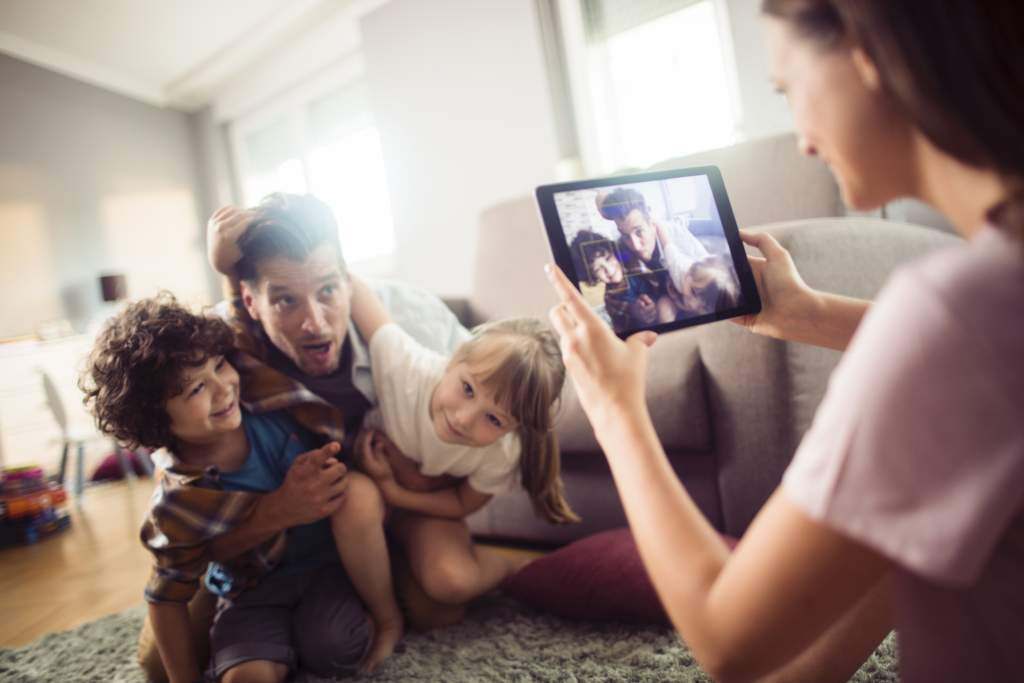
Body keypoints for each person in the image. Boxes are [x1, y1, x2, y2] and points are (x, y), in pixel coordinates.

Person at [544, 1, 1023, 681]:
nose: (800, 135)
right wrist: (809, 312)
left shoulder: (952, 313)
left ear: (866, 55)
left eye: (787, 88)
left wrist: (614, 408)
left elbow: (725, 635)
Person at [80, 294, 386, 683]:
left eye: (220, 365)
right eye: (195, 390)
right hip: (251, 593)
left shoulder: (266, 403)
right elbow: (165, 597)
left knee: (333, 648)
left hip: (326, 572)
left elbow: (246, 308)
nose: (223, 388)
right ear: (156, 420)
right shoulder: (177, 503)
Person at [349, 276, 578, 604]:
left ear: (515, 428)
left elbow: (461, 504)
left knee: (450, 585)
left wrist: (395, 492)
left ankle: (507, 565)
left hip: (418, 508)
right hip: (368, 498)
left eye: (494, 419)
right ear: (455, 359)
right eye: (467, 388)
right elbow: (355, 286)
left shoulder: (504, 451)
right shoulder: (407, 366)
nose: (463, 419)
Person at [596, 187, 709, 325]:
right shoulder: (622, 253)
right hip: (663, 306)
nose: (635, 246)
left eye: (639, 232)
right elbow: (614, 297)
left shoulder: (675, 234)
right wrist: (634, 310)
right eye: (625, 236)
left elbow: (710, 276)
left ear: (651, 222)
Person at [569, 229, 674, 330]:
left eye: (608, 258)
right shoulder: (610, 298)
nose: (609, 270)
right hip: (643, 323)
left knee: (665, 306)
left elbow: (630, 247)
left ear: (614, 253)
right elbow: (621, 321)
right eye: (598, 269)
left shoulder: (627, 257)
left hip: (663, 296)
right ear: (592, 276)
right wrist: (635, 311)